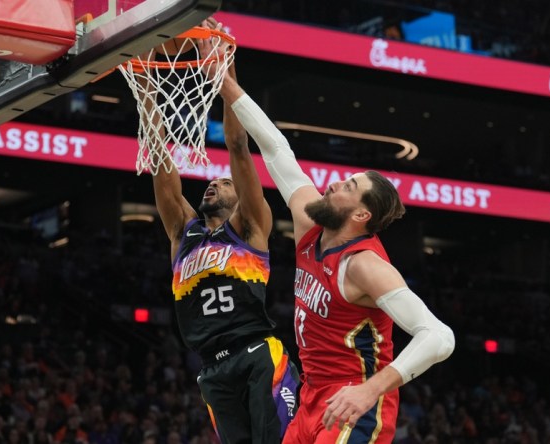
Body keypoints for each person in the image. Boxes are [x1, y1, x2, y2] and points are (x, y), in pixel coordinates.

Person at [218, 66, 456, 443]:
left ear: (362, 215)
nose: (332, 184)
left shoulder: (364, 266)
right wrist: (228, 85)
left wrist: (370, 390)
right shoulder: (309, 223)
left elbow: (440, 338)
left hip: (356, 401)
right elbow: (277, 148)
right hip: (313, 395)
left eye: (348, 186)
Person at [143, 20, 299, 444]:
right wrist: (147, 89)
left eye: (223, 183)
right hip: (211, 367)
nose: (213, 183)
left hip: (258, 353)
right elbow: (161, 163)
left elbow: (237, 148)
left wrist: (225, 74)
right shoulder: (182, 232)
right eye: (211, 183)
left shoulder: (250, 226)